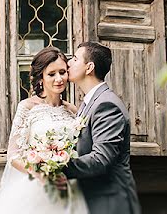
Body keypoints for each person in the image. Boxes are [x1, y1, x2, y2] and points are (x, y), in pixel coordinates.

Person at [0, 47, 88, 214]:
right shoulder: (27, 107)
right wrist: (40, 173)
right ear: (41, 78)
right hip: (36, 185)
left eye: (62, 72)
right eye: (51, 74)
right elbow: (13, 155)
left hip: (67, 186)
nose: (59, 79)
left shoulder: (73, 110)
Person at [62, 42, 141, 214]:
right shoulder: (88, 103)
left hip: (108, 201)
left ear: (89, 67)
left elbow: (101, 159)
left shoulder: (106, 104)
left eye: (75, 59)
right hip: (89, 198)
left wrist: (58, 168)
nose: (68, 63)